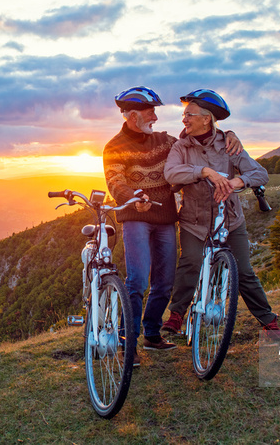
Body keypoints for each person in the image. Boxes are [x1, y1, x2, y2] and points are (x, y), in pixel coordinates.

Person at [103, 86, 244, 366]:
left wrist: (227, 134)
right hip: (136, 219)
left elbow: (196, 138)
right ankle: (126, 343)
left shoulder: (165, 141)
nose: (155, 117)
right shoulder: (114, 147)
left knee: (164, 282)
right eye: (150, 112)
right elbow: (115, 181)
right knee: (138, 281)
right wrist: (133, 198)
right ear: (132, 116)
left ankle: (152, 334)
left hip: (166, 218)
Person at [162, 89, 280, 341]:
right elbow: (171, 174)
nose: (184, 120)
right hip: (194, 221)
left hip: (230, 220)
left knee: (243, 271)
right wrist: (205, 171)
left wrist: (238, 182)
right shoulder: (181, 146)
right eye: (184, 115)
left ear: (207, 118)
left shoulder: (229, 144)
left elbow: (260, 173)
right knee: (191, 264)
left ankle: (268, 321)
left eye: (189, 115)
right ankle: (177, 315)